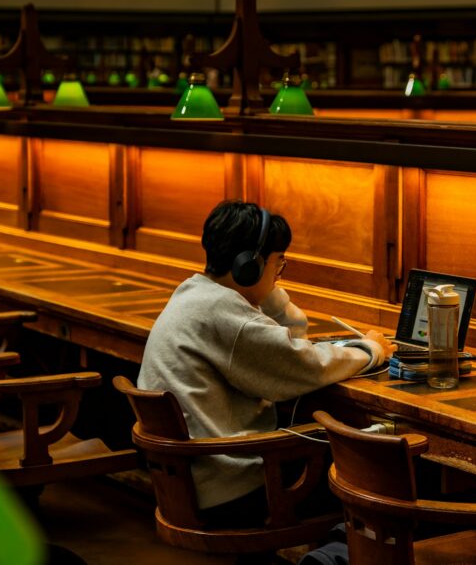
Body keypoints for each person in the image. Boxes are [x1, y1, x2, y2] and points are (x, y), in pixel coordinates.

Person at [138, 200, 395, 513]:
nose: (279, 274)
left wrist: (262, 291)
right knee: (369, 470)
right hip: (231, 490)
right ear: (250, 266)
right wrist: (371, 349)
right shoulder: (227, 314)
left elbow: (290, 337)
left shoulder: (195, 292)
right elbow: (303, 366)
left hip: (191, 482)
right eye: (278, 263)